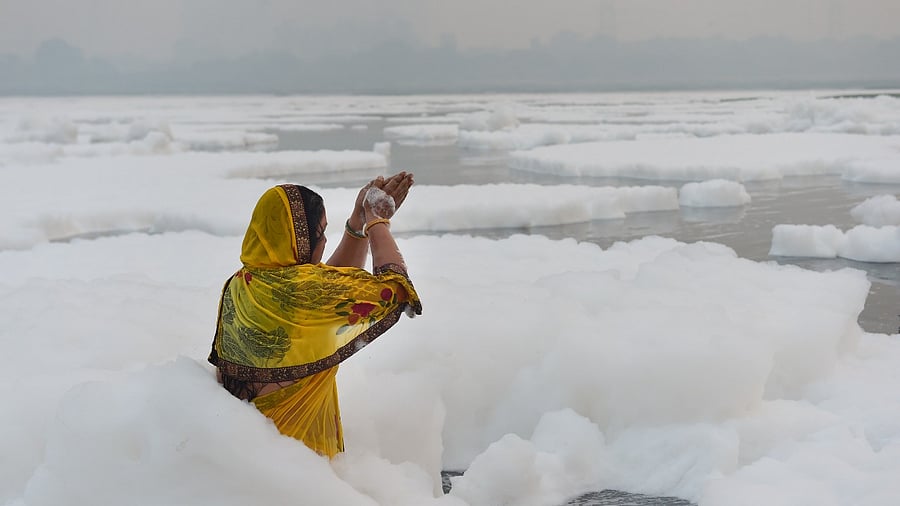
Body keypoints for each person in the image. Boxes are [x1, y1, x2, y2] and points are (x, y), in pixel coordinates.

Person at [208, 172, 421, 457]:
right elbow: (396, 289)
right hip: (299, 464)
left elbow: (326, 291)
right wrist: (377, 221)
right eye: (319, 234)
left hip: (248, 458)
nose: (322, 244)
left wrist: (357, 224)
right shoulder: (301, 293)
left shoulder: (242, 284)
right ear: (296, 239)